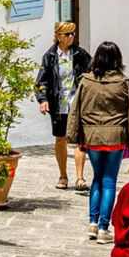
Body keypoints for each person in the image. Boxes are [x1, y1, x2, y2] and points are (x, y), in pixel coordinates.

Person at [67, 41, 129, 240]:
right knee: (109, 181)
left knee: (97, 179)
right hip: (115, 137)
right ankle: (103, 227)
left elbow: (75, 111)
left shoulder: (86, 81)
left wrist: (73, 136)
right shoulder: (123, 84)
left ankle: (92, 222)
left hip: (92, 137)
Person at [36, 22, 91, 190]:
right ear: (59, 36)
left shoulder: (81, 54)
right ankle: (63, 176)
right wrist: (43, 99)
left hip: (77, 103)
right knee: (60, 138)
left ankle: (80, 178)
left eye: (73, 34)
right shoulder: (50, 56)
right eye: (68, 34)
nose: (71, 37)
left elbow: (92, 73)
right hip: (58, 103)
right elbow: (41, 81)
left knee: (80, 139)